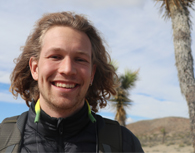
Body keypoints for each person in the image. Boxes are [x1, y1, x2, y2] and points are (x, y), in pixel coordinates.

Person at [0, 12, 144, 153]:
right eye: (55, 56)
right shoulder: (3, 140)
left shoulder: (124, 144)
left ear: (92, 74)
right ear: (35, 68)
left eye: (80, 59)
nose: (68, 69)